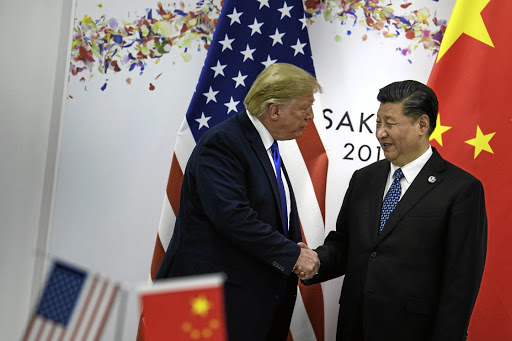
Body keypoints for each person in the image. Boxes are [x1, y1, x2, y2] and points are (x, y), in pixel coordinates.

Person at [302, 80, 487, 341]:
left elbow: (461, 282)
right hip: (353, 328)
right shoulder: (363, 179)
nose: (380, 133)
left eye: (390, 124)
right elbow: (345, 243)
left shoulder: (461, 189)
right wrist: (317, 261)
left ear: (422, 125)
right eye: (378, 123)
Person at [155, 63, 321, 340]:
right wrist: (292, 255)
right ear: (275, 109)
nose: (310, 116)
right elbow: (232, 217)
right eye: (304, 108)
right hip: (207, 307)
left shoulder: (264, 146)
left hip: (244, 305)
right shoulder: (223, 143)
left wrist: (291, 248)